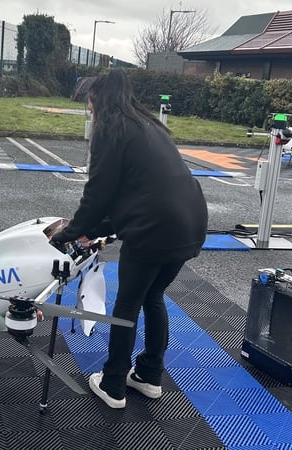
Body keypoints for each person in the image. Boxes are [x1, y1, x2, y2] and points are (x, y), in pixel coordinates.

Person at [50, 70, 208, 409]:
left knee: (127, 304)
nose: (89, 112)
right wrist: (95, 230)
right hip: (190, 222)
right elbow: (139, 192)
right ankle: (149, 376)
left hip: (155, 229)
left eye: (89, 105)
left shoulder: (111, 130)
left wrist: (67, 234)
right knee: (153, 296)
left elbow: (98, 196)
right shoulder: (148, 125)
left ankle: (113, 384)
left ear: (98, 101)